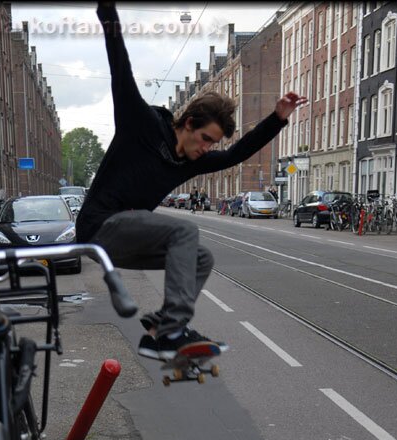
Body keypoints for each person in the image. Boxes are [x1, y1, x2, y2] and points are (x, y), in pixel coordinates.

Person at [75, 1, 307, 360]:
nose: (207, 148)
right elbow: (120, 67)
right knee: (184, 231)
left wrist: (276, 119)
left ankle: (159, 329)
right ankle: (173, 330)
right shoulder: (140, 124)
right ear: (187, 123)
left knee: (201, 257)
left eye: (212, 143)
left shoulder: (188, 164)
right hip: (98, 227)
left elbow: (235, 155)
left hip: (125, 242)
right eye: (205, 138)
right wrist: (108, 13)